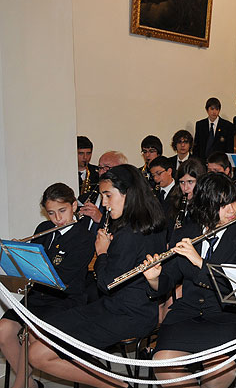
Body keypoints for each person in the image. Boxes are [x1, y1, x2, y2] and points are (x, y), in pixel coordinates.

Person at [28, 164, 167, 388]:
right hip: (116, 307)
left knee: (38, 355)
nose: (104, 203)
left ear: (128, 193)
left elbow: (106, 284)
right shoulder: (147, 223)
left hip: (129, 314)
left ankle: (114, 385)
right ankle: (109, 380)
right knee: (38, 333)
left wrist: (102, 252)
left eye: (108, 195)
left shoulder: (131, 233)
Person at [143, 172, 236, 388]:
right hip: (187, 313)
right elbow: (168, 280)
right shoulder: (184, 234)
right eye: (223, 205)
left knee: (220, 368)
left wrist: (200, 263)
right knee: (162, 363)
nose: (232, 210)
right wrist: (154, 279)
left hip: (227, 315)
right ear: (206, 206)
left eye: (233, 202)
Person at [0, 183, 95, 388]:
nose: (58, 218)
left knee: (32, 334)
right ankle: (30, 382)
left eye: (63, 211)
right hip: (38, 295)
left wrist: (34, 264)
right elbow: (30, 271)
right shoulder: (43, 229)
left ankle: (21, 383)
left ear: (74, 206)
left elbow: (63, 279)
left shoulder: (84, 237)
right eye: (51, 213)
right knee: (3, 329)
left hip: (66, 299)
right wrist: (20, 254)